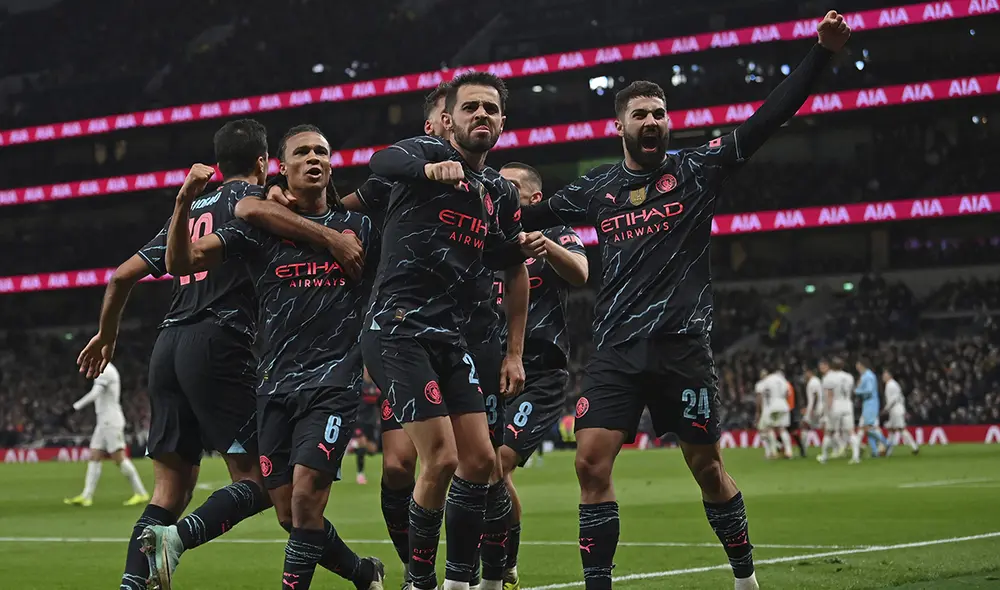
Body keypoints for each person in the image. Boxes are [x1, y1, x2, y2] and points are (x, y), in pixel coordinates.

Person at [517, 13, 851, 589]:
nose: (652, 121)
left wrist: (820, 53)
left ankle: (745, 579)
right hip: (615, 351)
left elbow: (769, 117)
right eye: (640, 114)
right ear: (618, 124)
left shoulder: (698, 170)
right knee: (589, 463)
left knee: (708, 469)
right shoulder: (597, 188)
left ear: (668, 122)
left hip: (681, 350)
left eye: (658, 113)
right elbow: (526, 216)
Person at [158, 125, 385, 590]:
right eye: (302, 152)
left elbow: (391, 291)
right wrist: (182, 204)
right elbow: (181, 264)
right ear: (281, 168)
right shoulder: (258, 231)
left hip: (332, 382)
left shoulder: (360, 229)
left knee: (305, 499)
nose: (314, 158)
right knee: (287, 512)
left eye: (322, 150)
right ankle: (364, 574)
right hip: (274, 386)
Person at [77, 119, 274, 590]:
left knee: (171, 489)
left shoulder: (187, 213)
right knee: (261, 480)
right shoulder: (256, 203)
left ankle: (132, 583)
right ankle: (176, 540)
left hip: (167, 349)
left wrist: (107, 336)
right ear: (264, 162)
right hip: (218, 341)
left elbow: (121, 276)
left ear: (219, 162)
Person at [362, 71, 528, 590]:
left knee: (480, 462)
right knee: (442, 458)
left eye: (491, 109)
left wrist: (527, 248)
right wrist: (430, 167)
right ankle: (419, 580)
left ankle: (461, 583)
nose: (482, 114)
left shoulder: (499, 190)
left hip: (452, 338)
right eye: (471, 107)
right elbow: (379, 161)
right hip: (397, 328)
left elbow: (507, 258)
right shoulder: (421, 153)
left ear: (503, 122)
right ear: (449, 119)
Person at [488, 162, 588, 590]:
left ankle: (498, 564)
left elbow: (581, 273)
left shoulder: (555, 232)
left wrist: (544, 245)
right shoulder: (486, 239)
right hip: (484, 371)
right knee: (485, 471)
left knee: (495, 466)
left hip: (540, 371)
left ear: (532, 199)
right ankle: (500, 562)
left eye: (509, 186)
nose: (499, 191)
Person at [63, 361, 149, 507]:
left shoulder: (106, 371)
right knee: (94, 455)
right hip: (103, 422)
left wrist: (74, 407)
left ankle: (141, 493)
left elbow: (95, 393)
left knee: (118, 458)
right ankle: (86, 496)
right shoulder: (103, 370)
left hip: (111, 421)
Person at [854, 358, 892, 462]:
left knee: (868, 428)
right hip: (868, 403)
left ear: (862, 365)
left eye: (857, 365)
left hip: (871, 403)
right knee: (867, 428)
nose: (856, 367)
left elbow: (869, 390)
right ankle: (875, 451)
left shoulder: (868, 376)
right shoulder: (865, 376)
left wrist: (857, 390)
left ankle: (886, 443)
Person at [819, 357, 854, 463]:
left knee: (829, 432)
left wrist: (827, 411)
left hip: (835, 406)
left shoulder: (829, 378)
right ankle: (855, 457)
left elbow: (829, 395)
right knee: (851, 432)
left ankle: (824, 456)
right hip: (847, 404)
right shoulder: (849, 377)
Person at [756, 369, 793, 460]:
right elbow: (788, 393)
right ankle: (788, 451)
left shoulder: (766, 381)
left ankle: (773, 451)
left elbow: (762, 395)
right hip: (784, 405)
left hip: (772, 406)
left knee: (769, 429)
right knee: (782, 429)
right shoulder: (782, 380)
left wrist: (760, 411)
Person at [353, 369, 381, 485]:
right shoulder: (359, 384)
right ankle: (360, 474)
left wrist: (379, 419)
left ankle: (356, 446)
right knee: (362, 442)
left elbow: (379, 404)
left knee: (372, 450)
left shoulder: (376, 386)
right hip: (360, 420)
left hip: (372, 422)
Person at [881, 368, 919, 455]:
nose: (883, 376)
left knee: (901, 429)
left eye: (885, 374)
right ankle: (888, 452)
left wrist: (885, 409)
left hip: (896, 410)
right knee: (891, 430)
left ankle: (914, 447)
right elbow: (901, 398)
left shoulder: (890, 385)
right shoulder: (893, 384)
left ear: (889, 375)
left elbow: (893, 400)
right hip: (896, 409)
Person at [802, 367, 825, 448]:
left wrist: (812, 409)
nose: (804, 375)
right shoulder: (816, 381)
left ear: (809, 372)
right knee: (823, 427)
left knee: (805, 425)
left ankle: (803, 449)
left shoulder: (813, 382)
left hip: (815, 408)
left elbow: (815, 395)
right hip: (817, 407)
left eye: (805, 373)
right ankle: (838, 445)